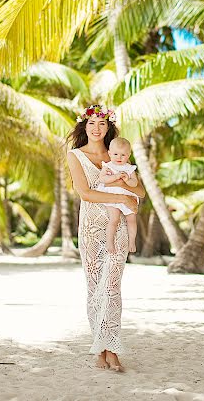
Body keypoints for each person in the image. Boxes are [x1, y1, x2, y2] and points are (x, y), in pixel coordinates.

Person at [67, 104, 145, 372]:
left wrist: (124, 186)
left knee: (112, 287)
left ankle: (112, 348)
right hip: (90, 226)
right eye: (92, 123)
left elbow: (142, 191)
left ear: (109, 127)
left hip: (119, 226)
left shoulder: (119, 154)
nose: (97, 128)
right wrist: (121, 196)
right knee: (94, 288)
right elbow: (86, 193)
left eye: (102, 124)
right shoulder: (75, 155)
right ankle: (100, 347)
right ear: (85, 127)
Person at [97, 137, 139, 254]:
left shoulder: (129, 169)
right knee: (114, 220)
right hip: (112, 196)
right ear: (109, 153)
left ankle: (132, 241)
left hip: (127, 196)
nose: (119, 158)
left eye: (123, 155)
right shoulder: (108, 166)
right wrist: (115, 177)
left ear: (129, 155)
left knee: (132, 219)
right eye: (115, 154)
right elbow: (102, 179)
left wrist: (127, 179)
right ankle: (109, 242)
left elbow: (134, 183)